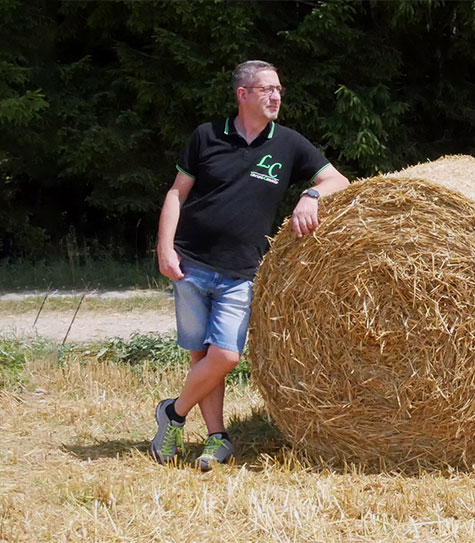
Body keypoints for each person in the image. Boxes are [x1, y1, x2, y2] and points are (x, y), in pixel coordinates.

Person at [149, 60, 350, 471]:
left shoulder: (289, 143)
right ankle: (217, 438)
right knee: (200, 357)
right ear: (243, 94)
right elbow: (176, 193)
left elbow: (338, 181)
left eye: (279, 89)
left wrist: (310, 197)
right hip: (191, 263)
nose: (276, 96)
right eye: (267, 89)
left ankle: (173, 413)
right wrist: (165, 248)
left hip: (242, 270)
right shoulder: (206, 136)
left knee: (225, 356)